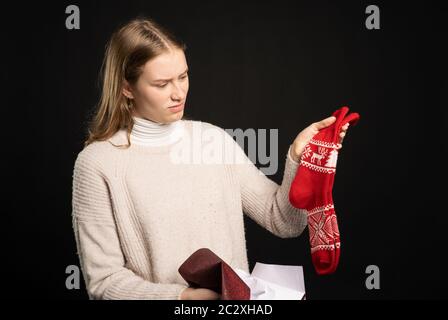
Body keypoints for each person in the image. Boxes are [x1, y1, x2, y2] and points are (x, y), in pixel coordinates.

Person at [71, 17, 350, 300]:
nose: (178, 93)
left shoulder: (213, 140)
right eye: (162, 84)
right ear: (126, 88)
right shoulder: (98, 164)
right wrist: (185, 298)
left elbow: (284, 220)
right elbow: (104, 283)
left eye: (183, 76)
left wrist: (298, 158)